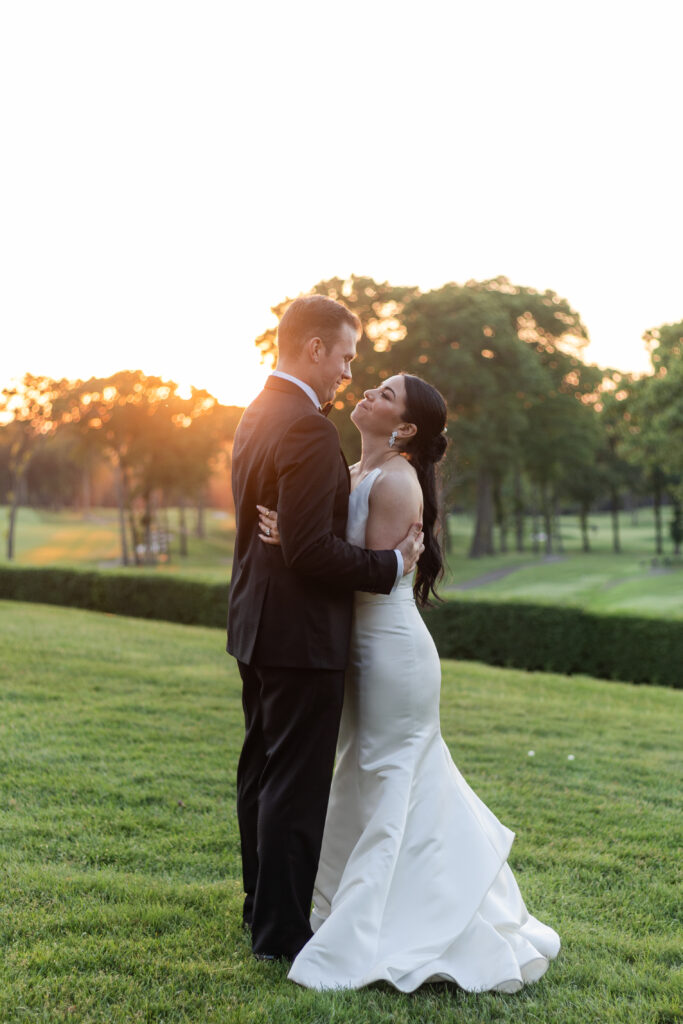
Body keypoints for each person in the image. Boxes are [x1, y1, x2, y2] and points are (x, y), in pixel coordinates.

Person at [257, 372, 561, 992]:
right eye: (373, 386)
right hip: (357, 647)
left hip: (391, 653)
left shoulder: (396, 481)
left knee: (395, 772)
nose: (367, 393)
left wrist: (298, 543)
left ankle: (409, 923)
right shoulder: (352, 471)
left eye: (386, 395)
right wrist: (300, 539)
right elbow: (330, 550)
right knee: (369, 773)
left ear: (405, 428)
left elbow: (358, 571)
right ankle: (360, 908)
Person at [227, 294, 424, 961]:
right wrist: (390, 564)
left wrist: (299, 535)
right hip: (300, 634)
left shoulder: (258, 412)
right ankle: (281, 934)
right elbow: (310, 551)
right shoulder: (309, 429)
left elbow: (295, 534)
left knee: (259, 769)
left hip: (255, 623)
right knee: (293, 783)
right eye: (344, 358)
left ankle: (261, 908)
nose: (346, 375)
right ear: (314, 348)